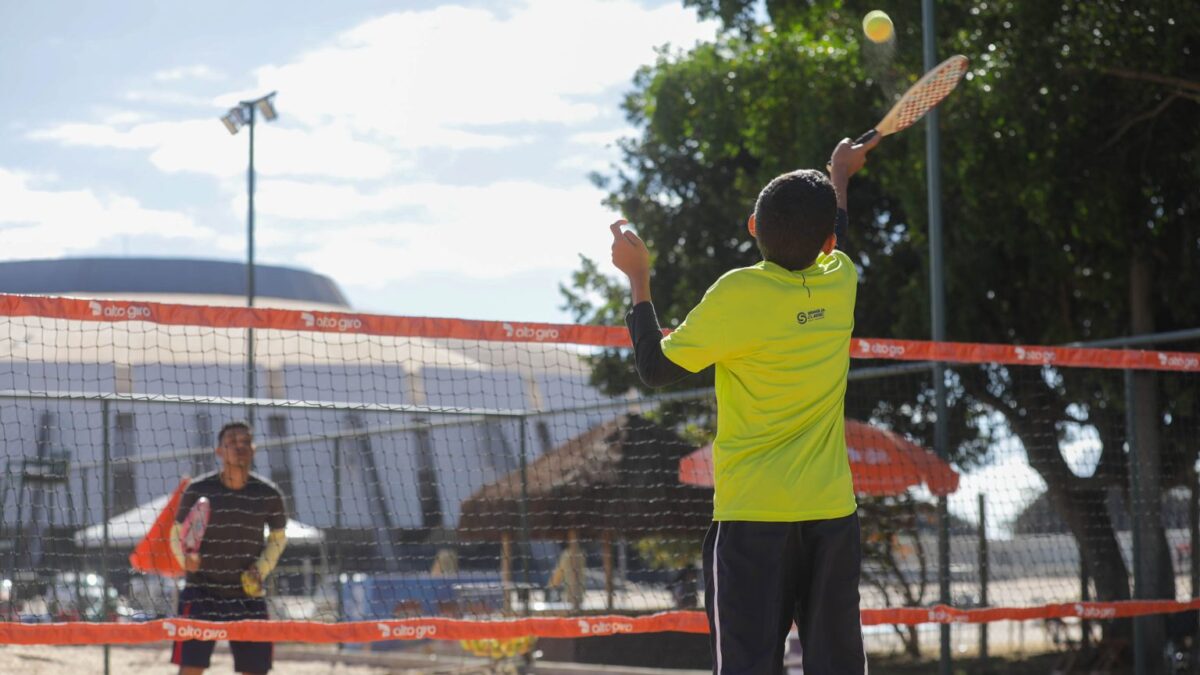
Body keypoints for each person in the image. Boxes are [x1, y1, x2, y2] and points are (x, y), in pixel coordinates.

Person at [609, 134, 880, 675]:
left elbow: (656, 368)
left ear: (754, 227)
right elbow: (837, 232)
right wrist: (840, 174)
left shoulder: (737, 294)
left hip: (753, 517)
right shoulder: (841, 280)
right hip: (830, 514)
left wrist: (639, 280)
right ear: (828, 242)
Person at [169, 421, 288, 675]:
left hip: (247, 592)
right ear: (219, 451)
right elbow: (176, 533)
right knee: (190, 669)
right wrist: (184, 559)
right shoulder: (198, 489)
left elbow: (278, 538)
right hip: (201, 589)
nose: (239, 446)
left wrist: (261, 569)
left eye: (245, 441)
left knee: (255, 671)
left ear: (254, 450)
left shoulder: (268, 494)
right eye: (232, 442)